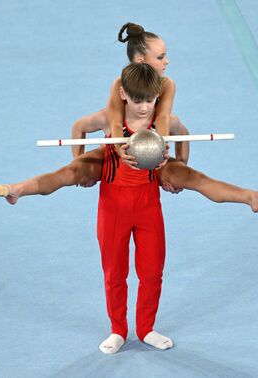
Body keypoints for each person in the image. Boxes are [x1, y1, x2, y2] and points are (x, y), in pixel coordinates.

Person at [0, 22, 258, 212]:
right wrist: (80, 162)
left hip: (153, 155)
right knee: (68, 174)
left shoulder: (167, 85)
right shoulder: (119, 88)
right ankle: (19, 189)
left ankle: (249, 197)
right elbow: (100, 125)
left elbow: (170, 121)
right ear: (141, 61)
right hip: (118, 156)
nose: (167, 61)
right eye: (161, 57)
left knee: (196, 179)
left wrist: (175, 165)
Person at [98, 62, 171, 354]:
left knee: (152, 271)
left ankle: (146, 328)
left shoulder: (162, 123)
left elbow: (184, 133)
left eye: (151, 100)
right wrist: (81, 168)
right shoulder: (108, 121)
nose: (144, 107)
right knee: (115, 273)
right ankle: (118, 329)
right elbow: (78, 128)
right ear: (124, 94)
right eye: (138, 100)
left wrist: (176, 169)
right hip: (113, 207)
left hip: (148, 205)